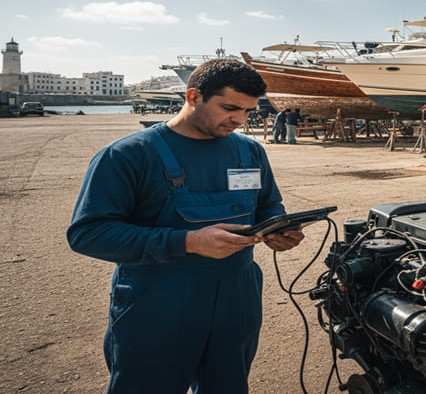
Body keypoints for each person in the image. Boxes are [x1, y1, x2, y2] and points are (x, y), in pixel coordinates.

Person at [67, 59, 304, 394]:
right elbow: (87, 233)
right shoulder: (127, 155)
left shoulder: (250, 151)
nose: (240, 120)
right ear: (193, 97)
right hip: (157, 300)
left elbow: (269, 204)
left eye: (249, 111)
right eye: (230, 108)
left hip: (238, 294)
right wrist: (187, 242)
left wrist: (277, 230)